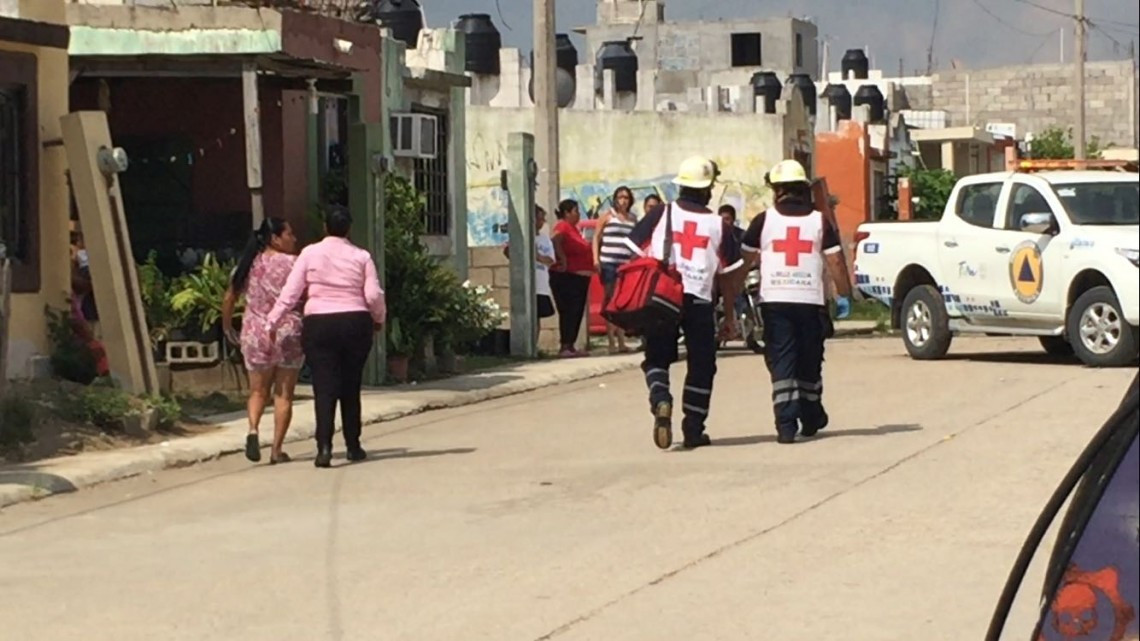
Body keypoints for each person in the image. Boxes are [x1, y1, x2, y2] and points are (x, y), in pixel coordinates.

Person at [624, 157, 743, 450]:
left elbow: (632, 252)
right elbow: (728, 277)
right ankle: (693, 428)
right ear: (708, 190)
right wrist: (730, 317)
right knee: (702, 364)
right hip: (700, 299)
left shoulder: (661, 214)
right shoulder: (718, 224)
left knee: (656, 357)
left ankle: (661, 398)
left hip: (663, 297)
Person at [740, 159, 852, 445]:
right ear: (803, 190)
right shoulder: (819, 221)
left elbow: (744, 262)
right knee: (809, 359)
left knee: (782, 360)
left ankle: (786, 423)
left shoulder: (764, 220)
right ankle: (811, 413)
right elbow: (836, 262)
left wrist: (731, 296)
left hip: (774, 300)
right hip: (809, 301)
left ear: (777, 191)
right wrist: (844, 294)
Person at [266, 206, 386, 468]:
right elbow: (374, 295)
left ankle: (324, 448)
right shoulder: (361, 256)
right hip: (355, 322)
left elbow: (291, 292)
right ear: (349, 229)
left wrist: (272, 321)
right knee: (350, 386)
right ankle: (353, 446)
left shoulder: (309, 253)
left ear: (325, 227)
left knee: (324, 386)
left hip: (319, 324)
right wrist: (378, 319)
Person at [222, 218, 303, 465]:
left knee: (257, 391)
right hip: (287, 332)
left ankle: (253, 430)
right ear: (275, 238)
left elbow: (229, 297)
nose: (294, 238)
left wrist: (227, 326)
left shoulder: (247, 265)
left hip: (254, 333)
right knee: (283, 394)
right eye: (290, 233)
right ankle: (276, 450)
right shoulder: (295, 264)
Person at [593, 186, 638, 354]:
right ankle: (611, 341)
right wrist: (596, 258)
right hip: (609, 262)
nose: (623, 200)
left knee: (622, 301)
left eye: (626, 197)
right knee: (610, 298)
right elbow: (596, 237)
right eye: (620, 197)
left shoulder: (633, 219)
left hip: (625, 264)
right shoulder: (607, 216)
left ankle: (621, 340)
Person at [549, 199, 594, 357]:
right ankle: (565, 345)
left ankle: (571, 345)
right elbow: (555, 240)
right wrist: (563, 259)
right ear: (567, 213)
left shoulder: (574, 229)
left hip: (579, 278)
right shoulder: (562, 226)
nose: (578, 214)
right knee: (569, 311)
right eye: (575, 211)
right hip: (567, 277)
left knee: (576, 311)